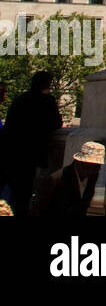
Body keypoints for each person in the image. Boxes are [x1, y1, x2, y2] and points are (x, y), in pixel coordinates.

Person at [0, 72, 63, 217]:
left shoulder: (20, 99)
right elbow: (56, 123)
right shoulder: (47, 101)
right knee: (23, 195)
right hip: (31, 156)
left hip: (11, 153)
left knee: (13, 192)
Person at [34, 141, 104, 217]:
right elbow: (40, 209)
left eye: (97, 167)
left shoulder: (93, 175)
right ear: (79, 162)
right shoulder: (56, 179)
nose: (97, 170)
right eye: (91, 167)